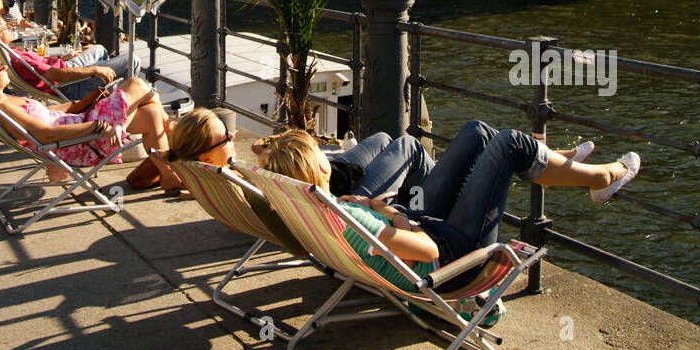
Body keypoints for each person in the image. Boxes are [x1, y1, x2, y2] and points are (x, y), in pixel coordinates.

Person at [259, 122, 641, 296]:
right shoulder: (348, 215)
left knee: (477, 132)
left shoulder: (321, 207)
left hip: (423, 236)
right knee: (509, 143)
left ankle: (553, 162)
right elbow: (429, 250)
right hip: (454, 260)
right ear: (324, 166)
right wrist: (388, 211)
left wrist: (380, 210)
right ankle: (598, 178)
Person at [0, 45, 185, 189]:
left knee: (151, 113)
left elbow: (52, 115)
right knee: (136, 84)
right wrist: (97, 128)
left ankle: (168, 176)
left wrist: (81, 105)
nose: (4, 67)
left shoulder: (6, 101)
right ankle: (173, 130)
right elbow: (47, 134)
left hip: (82, 124)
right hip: (82, 141)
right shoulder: (5, 108)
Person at [0, 11, 141, 101]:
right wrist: (95, 69)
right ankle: (112, 102)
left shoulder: (8, 53)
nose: (10, 27)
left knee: (99, 49)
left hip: (65, 68)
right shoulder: (17, 58)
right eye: (6, 28)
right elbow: (56, 75)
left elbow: (48, 68)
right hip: (69, 84)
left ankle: (101, 93)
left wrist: (63, 58)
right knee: (132, 61)